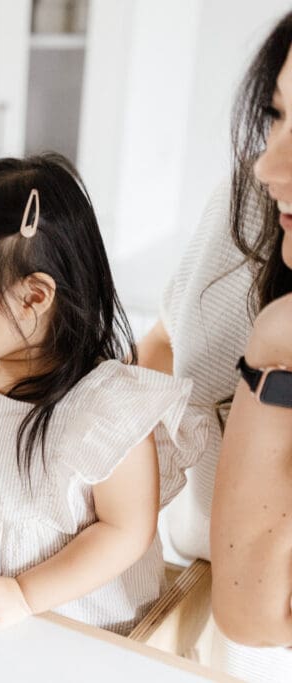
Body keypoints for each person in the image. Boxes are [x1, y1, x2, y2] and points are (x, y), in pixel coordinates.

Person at [0, 154, 204, 634]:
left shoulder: (107, 407)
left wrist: (27, 594)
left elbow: (126, 531)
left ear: (31, 297)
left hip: (63, 612)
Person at [139, 10, 292, 680]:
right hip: (172, 592)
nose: (270, 164)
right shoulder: (253, 203)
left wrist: (274, 348)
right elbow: (167, 341)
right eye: (278, 115)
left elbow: (261, 619)